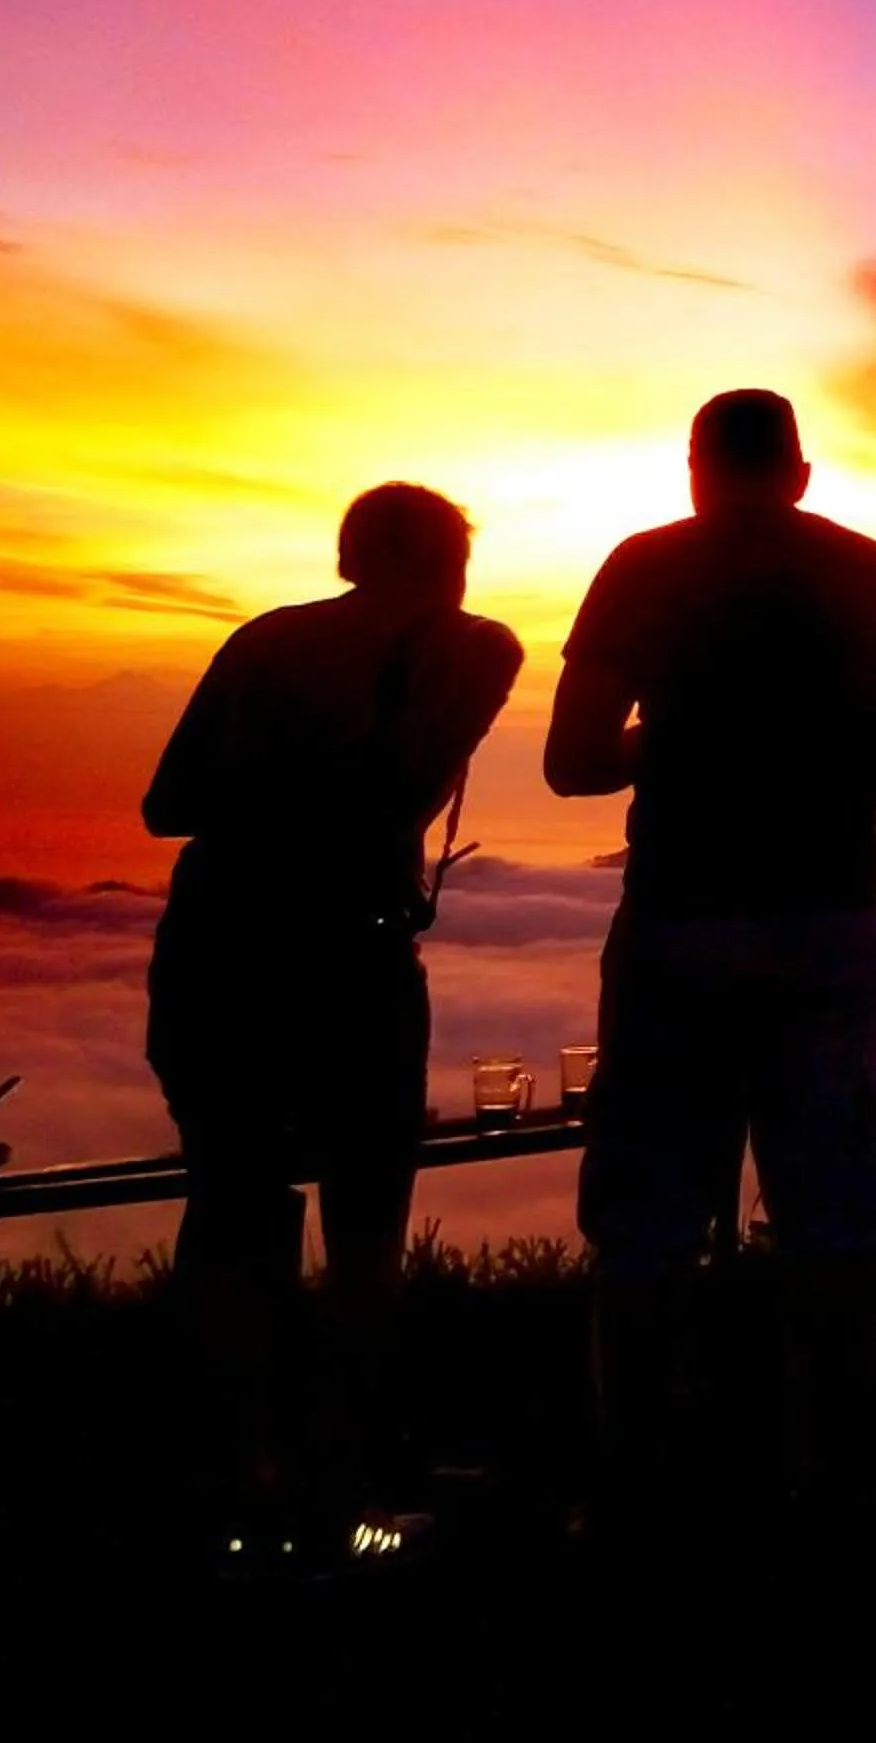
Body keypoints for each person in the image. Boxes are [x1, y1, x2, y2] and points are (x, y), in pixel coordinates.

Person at [545, 390, 876, 1529]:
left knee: (645, 1222)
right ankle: (832, 1480)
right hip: (826, 921)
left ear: (694, 471)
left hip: (677, 921)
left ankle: (634, 1487)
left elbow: (572, 761)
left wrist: (670, 739)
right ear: (802, 474)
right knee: (834, 1218)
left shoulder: (642, 567)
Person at [142, 482, 523, 1567]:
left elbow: (166, 806)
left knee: (231, 1212)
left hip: (213, 950)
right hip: (350, 962)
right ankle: (347, 1501)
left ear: (350, 555)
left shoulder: (262, 639)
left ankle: (236, 1494)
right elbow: (394, 793)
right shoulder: (478, 646)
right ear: (451, 563)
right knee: (363, 1230)